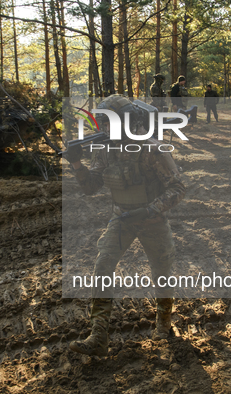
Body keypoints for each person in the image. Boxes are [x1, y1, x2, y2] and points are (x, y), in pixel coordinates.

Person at [64, 94, 186, 356]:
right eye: (103, 123)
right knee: (103, 265)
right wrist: (76, 163)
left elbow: (178, 187)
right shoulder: (106, 150)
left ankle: (164, 327)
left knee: (162, 273)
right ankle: (98, 336)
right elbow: (90, 187)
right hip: (121, 219)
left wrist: (150, 209)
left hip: (152, 221)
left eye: (110, 122)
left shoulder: (152, 148)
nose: (105, 128)